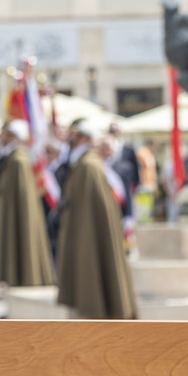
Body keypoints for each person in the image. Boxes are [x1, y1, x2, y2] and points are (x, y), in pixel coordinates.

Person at [55, 122, 138, 320]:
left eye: (74, 135)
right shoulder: (84, 163)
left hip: (87, 235)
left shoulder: (88, 166)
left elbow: (91, 215)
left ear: (84, 138)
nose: (70, 139)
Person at [0, 121, 57, 290]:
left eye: (6, 134)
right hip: (13, 211)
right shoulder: (13, 157)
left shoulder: (18, 159)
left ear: (13, 136)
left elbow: (21, 197)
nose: (2, 137)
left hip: (18, 213)